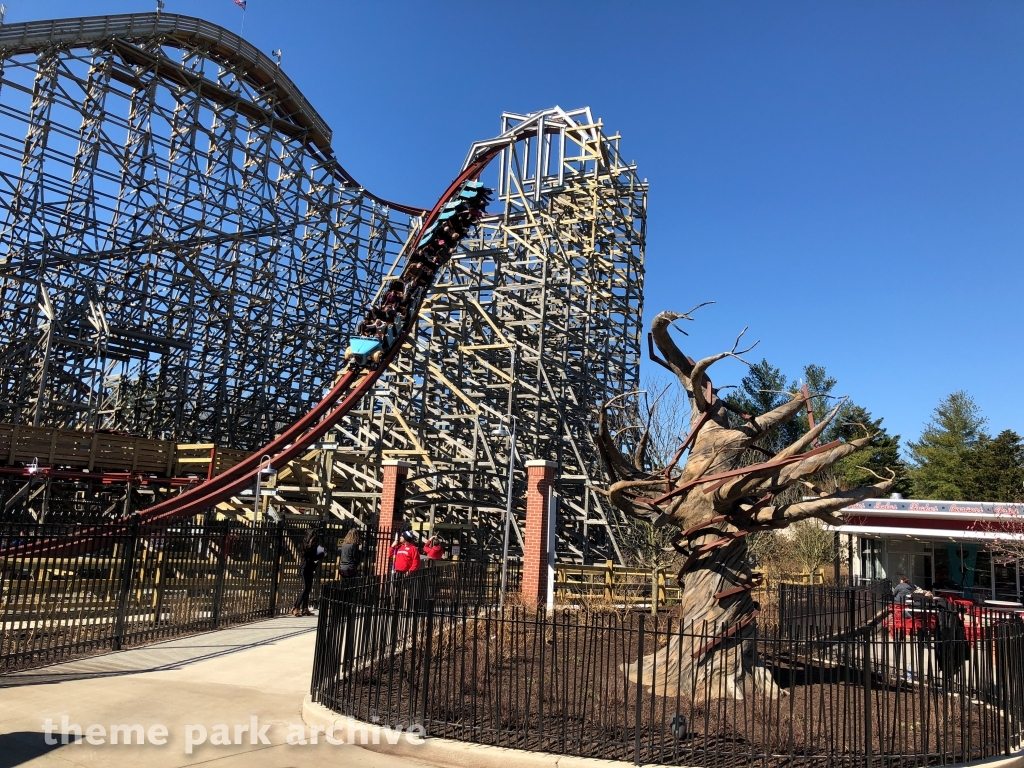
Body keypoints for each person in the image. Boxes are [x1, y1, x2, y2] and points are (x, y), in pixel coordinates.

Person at [292, 529, 325, 616]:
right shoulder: (305, 545)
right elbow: (311, 557)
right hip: (305, 568)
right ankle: (295, 607)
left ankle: (305, 608)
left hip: (310, 568)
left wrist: (322, 553)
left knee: (309, 588)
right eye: (313, 535)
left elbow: (315, 557)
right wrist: (322, 554)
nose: (315, 537)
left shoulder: (315, 545)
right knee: (306, 588)